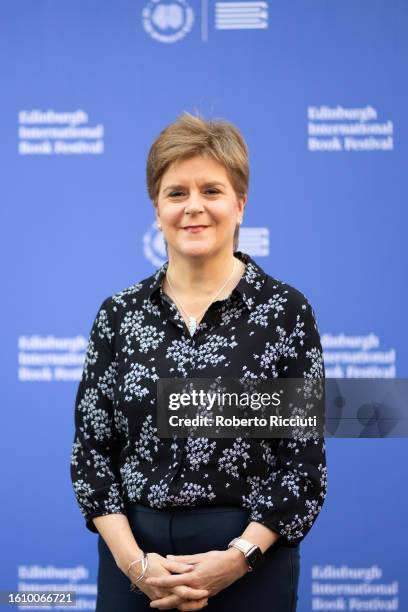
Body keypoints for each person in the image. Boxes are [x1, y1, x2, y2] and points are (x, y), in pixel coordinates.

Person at [70, 112, 327, 611]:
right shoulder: (118, 315)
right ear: (156, 206)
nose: (194, 207)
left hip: (251, 566)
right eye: (176, 192)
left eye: (211, 190)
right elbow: (91, 458)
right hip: (133, 564)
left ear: (240, 204)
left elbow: (303, 467)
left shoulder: (285, 313)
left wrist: (237, 558)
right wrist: (136, 565)